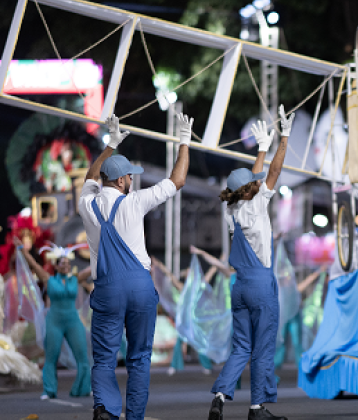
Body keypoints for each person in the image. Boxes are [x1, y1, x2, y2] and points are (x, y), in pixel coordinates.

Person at [79, 113, 191, 420]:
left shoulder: (86, 204)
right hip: (140, 287)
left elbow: (91, 177)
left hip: (108, 288)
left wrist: (109, 146)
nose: (133, 180)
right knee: (140, 358)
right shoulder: (136, 202)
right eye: (130, 176)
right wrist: (184, 141)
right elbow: (177, 180)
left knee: (103, 358)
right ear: (120, 180)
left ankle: (106, 408)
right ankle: (134, 417)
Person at [208, 105, 293, 420]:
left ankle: (220, 396)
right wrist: (282, 139)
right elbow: (273, 172)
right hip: (260, 284)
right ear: (249, 189)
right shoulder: (257, 203)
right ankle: (257, 409)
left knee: (241, 347)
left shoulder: (231, 210)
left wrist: (261, 148)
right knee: (262, 348)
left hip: (239, 286)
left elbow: (255, 177)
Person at [15, 238, 92, 399]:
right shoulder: (48, 279)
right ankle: (49, 390)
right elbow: (34, 265)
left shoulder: (75, 279)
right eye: (62, 263)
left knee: (82, 356)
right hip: (54, 321)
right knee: (51, 356)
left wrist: (105, 251)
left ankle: (83, 388)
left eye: (67, 263)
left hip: (72, 320)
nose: (65, 265)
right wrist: (22, 249)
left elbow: (93, 268)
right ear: (56, 266)